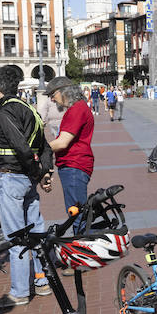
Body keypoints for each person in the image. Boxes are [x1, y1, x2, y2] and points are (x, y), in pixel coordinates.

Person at [0, 64, 54, 310]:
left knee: (16, 238)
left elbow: (21, 147)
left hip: (10, 178)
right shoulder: (30, 109)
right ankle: (43, 281)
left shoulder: (5, 111)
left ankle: (20, 292)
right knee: (35, 232)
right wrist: (43, 173)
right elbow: (44, 145)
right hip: (27, 181)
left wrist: (36, 171)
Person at [46, 77, 94, 229]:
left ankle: (82, 248)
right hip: (74, 165)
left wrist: (37, 149)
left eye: (52, 95)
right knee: (77, 213)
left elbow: (62, 142)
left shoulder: (76, 109)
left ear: (63, 92)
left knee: (77, 216)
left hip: (74, 165)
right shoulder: (78, 108)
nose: (52, 100)